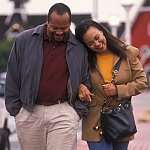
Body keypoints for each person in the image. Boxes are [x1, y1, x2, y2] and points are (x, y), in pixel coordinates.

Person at [5, 3, 91, 150]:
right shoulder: (24, 40)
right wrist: (16, 111)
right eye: (54, 27)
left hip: (63, 112)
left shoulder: (79, 47)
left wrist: (77, 112)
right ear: (47, 21)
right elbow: (13, 75)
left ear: (69, 23)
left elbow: (86, 78)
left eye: (63, 28)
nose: (59, 32)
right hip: (29, 111)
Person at [75, 19, 148, 150]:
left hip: (119, 119)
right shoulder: (83, 59)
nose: (97, 44)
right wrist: (80, 86)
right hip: (94, 121)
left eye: (97, 38)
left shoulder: (128, 53)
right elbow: (72, 78)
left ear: (102, 32)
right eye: (90, 43)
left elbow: (142, 82)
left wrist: (118, 90)